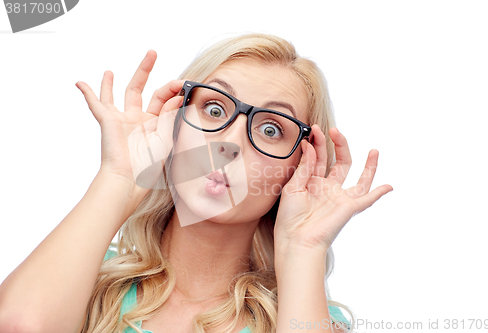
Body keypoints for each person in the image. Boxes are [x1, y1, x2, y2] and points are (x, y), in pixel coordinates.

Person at [0, 33, 392, 333]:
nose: (229, 144)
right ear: (173, 123)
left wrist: (303, 247)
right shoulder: (84, 275)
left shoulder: (303, 313)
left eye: (271, 129)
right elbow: (20, 326)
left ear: (299, 167)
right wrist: (121, 177)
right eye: (215, 108)